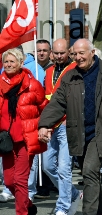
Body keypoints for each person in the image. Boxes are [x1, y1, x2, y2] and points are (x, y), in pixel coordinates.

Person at [38, 38, 102, 215]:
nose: (78, 57)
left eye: (82, 53)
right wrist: (45, 124)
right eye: (75, 54)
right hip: (79, 135)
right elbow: (57, 103)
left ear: (92, 52)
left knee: (89, 171)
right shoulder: (70, 76)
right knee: (91, 176)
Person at [0, 48, 47, 215]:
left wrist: (45, 127)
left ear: (21, 63)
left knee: (20, 180)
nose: (9, 64)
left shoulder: (31, 84)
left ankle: (22, 212)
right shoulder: (0, 84)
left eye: (12, 61)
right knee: (9, 181)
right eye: (6, 61)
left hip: (26, 139)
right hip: (5, 140)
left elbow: (45, 108)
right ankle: (28, 205)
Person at [41, 38, 82, 215]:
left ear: (69, 52)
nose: (58, 56)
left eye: (62, 53)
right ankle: (72, 193)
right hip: (51, 124)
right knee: (48, 166)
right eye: (56, 53)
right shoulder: (48, 70)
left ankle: (63, 206)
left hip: (67, 124)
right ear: (52, 53)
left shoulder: (75, 70)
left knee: (64, 168)